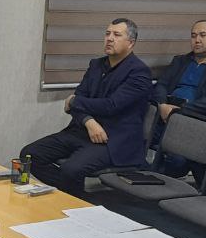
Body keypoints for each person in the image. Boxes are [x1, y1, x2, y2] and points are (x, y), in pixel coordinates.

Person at [21, 18, 152, 193]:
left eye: (116, 35)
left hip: (113, 140)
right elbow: (80, 100)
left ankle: (73, 199)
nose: (109, 38)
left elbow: (111, 105)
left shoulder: (139, 72)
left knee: (71, 170)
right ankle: (74, 196)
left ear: (131, 43)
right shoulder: (96, 65)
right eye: (107, 33)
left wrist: (74, 100)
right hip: (83, 131)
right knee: (29, 155)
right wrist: (88, 121)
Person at [148, 19, 206, 175]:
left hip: (193, 122)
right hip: (164, 116)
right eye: (193, 36)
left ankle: (158, 178)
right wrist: (162, 105)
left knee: (177, 161)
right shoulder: (180, 61)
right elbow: (161, 85)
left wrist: (177, 111)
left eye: (203, 35)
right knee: (135, 133)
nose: (197, 40)